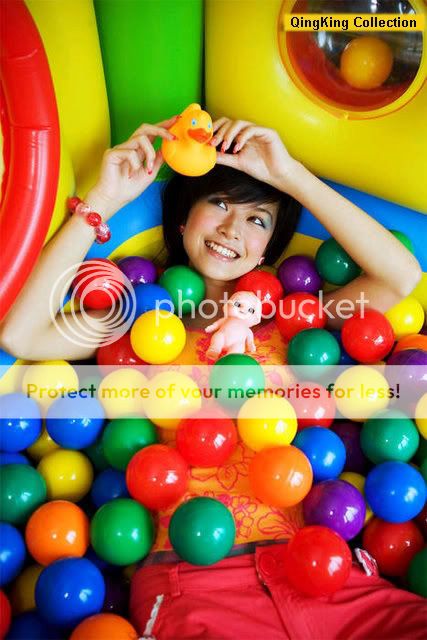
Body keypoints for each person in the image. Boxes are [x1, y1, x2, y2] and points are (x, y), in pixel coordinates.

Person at [0, 116, 425, 638]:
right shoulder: (141, 323)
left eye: (257, 219)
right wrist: (102, 202)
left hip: (324, 570)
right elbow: (20, 334)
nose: (232, 229)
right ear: (183, 219)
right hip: (195, 583)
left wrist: (290, 175)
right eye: (219, 203)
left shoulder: (291, 324)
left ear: (267, 251)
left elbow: (400, 276)